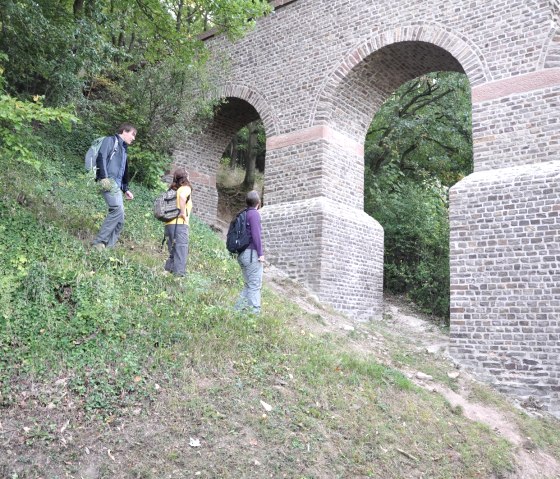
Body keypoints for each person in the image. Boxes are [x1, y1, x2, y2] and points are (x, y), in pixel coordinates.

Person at [92, 123, 137, 250]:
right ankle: (98, 243)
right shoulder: (110, 141)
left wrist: (125, 189)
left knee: (120, 218)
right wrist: (104, 177)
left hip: (116, 185)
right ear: (124, 131)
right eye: (132, 134)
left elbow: (122, 170)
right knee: (117, 209)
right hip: (108, 180)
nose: (133, 138)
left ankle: (109, 247)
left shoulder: (123, 149)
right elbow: (101, 157)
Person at [235, 190, 264, 314]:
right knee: (255, 285)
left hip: (242, 254)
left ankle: (236, 312)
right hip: (251, 254)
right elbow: (256, 235)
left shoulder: (244, 213)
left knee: (248, 285)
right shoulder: (255, 214)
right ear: (258, 202)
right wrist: (261, 253)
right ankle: (254, 314)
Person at [164, 168, 193, 277]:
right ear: (185, 178)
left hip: (168, 225)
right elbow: (182, 197)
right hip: (179, 224)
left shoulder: (173, 190)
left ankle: (167, 273)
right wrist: (182, 213)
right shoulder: (186, 188)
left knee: (173, 251)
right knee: (181, 251)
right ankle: (179, 278)